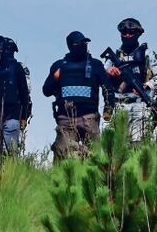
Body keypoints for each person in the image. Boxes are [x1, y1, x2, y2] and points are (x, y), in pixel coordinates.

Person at [43, 31, 116, 160]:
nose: (82, 46)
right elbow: (46, 91)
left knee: (95, 160)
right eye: (78, 44)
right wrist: (55, 77)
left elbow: (108, 89)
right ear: (70, 46)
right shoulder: (59, 66)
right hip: (65, 119)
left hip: (89, 118)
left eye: (84, 43)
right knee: (64, 158)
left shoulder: (95, 65)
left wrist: (108, 110)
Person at [102, 17, 157, 143]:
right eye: (124, 33)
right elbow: (101, 77)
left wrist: (146, 86)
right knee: (118, 147)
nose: (127, 35)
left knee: (138, 144)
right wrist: (109, 72)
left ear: (138, 34)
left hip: (139, 104)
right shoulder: (114, 55)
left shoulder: (147, 54)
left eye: (131, 32)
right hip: (119, 105)